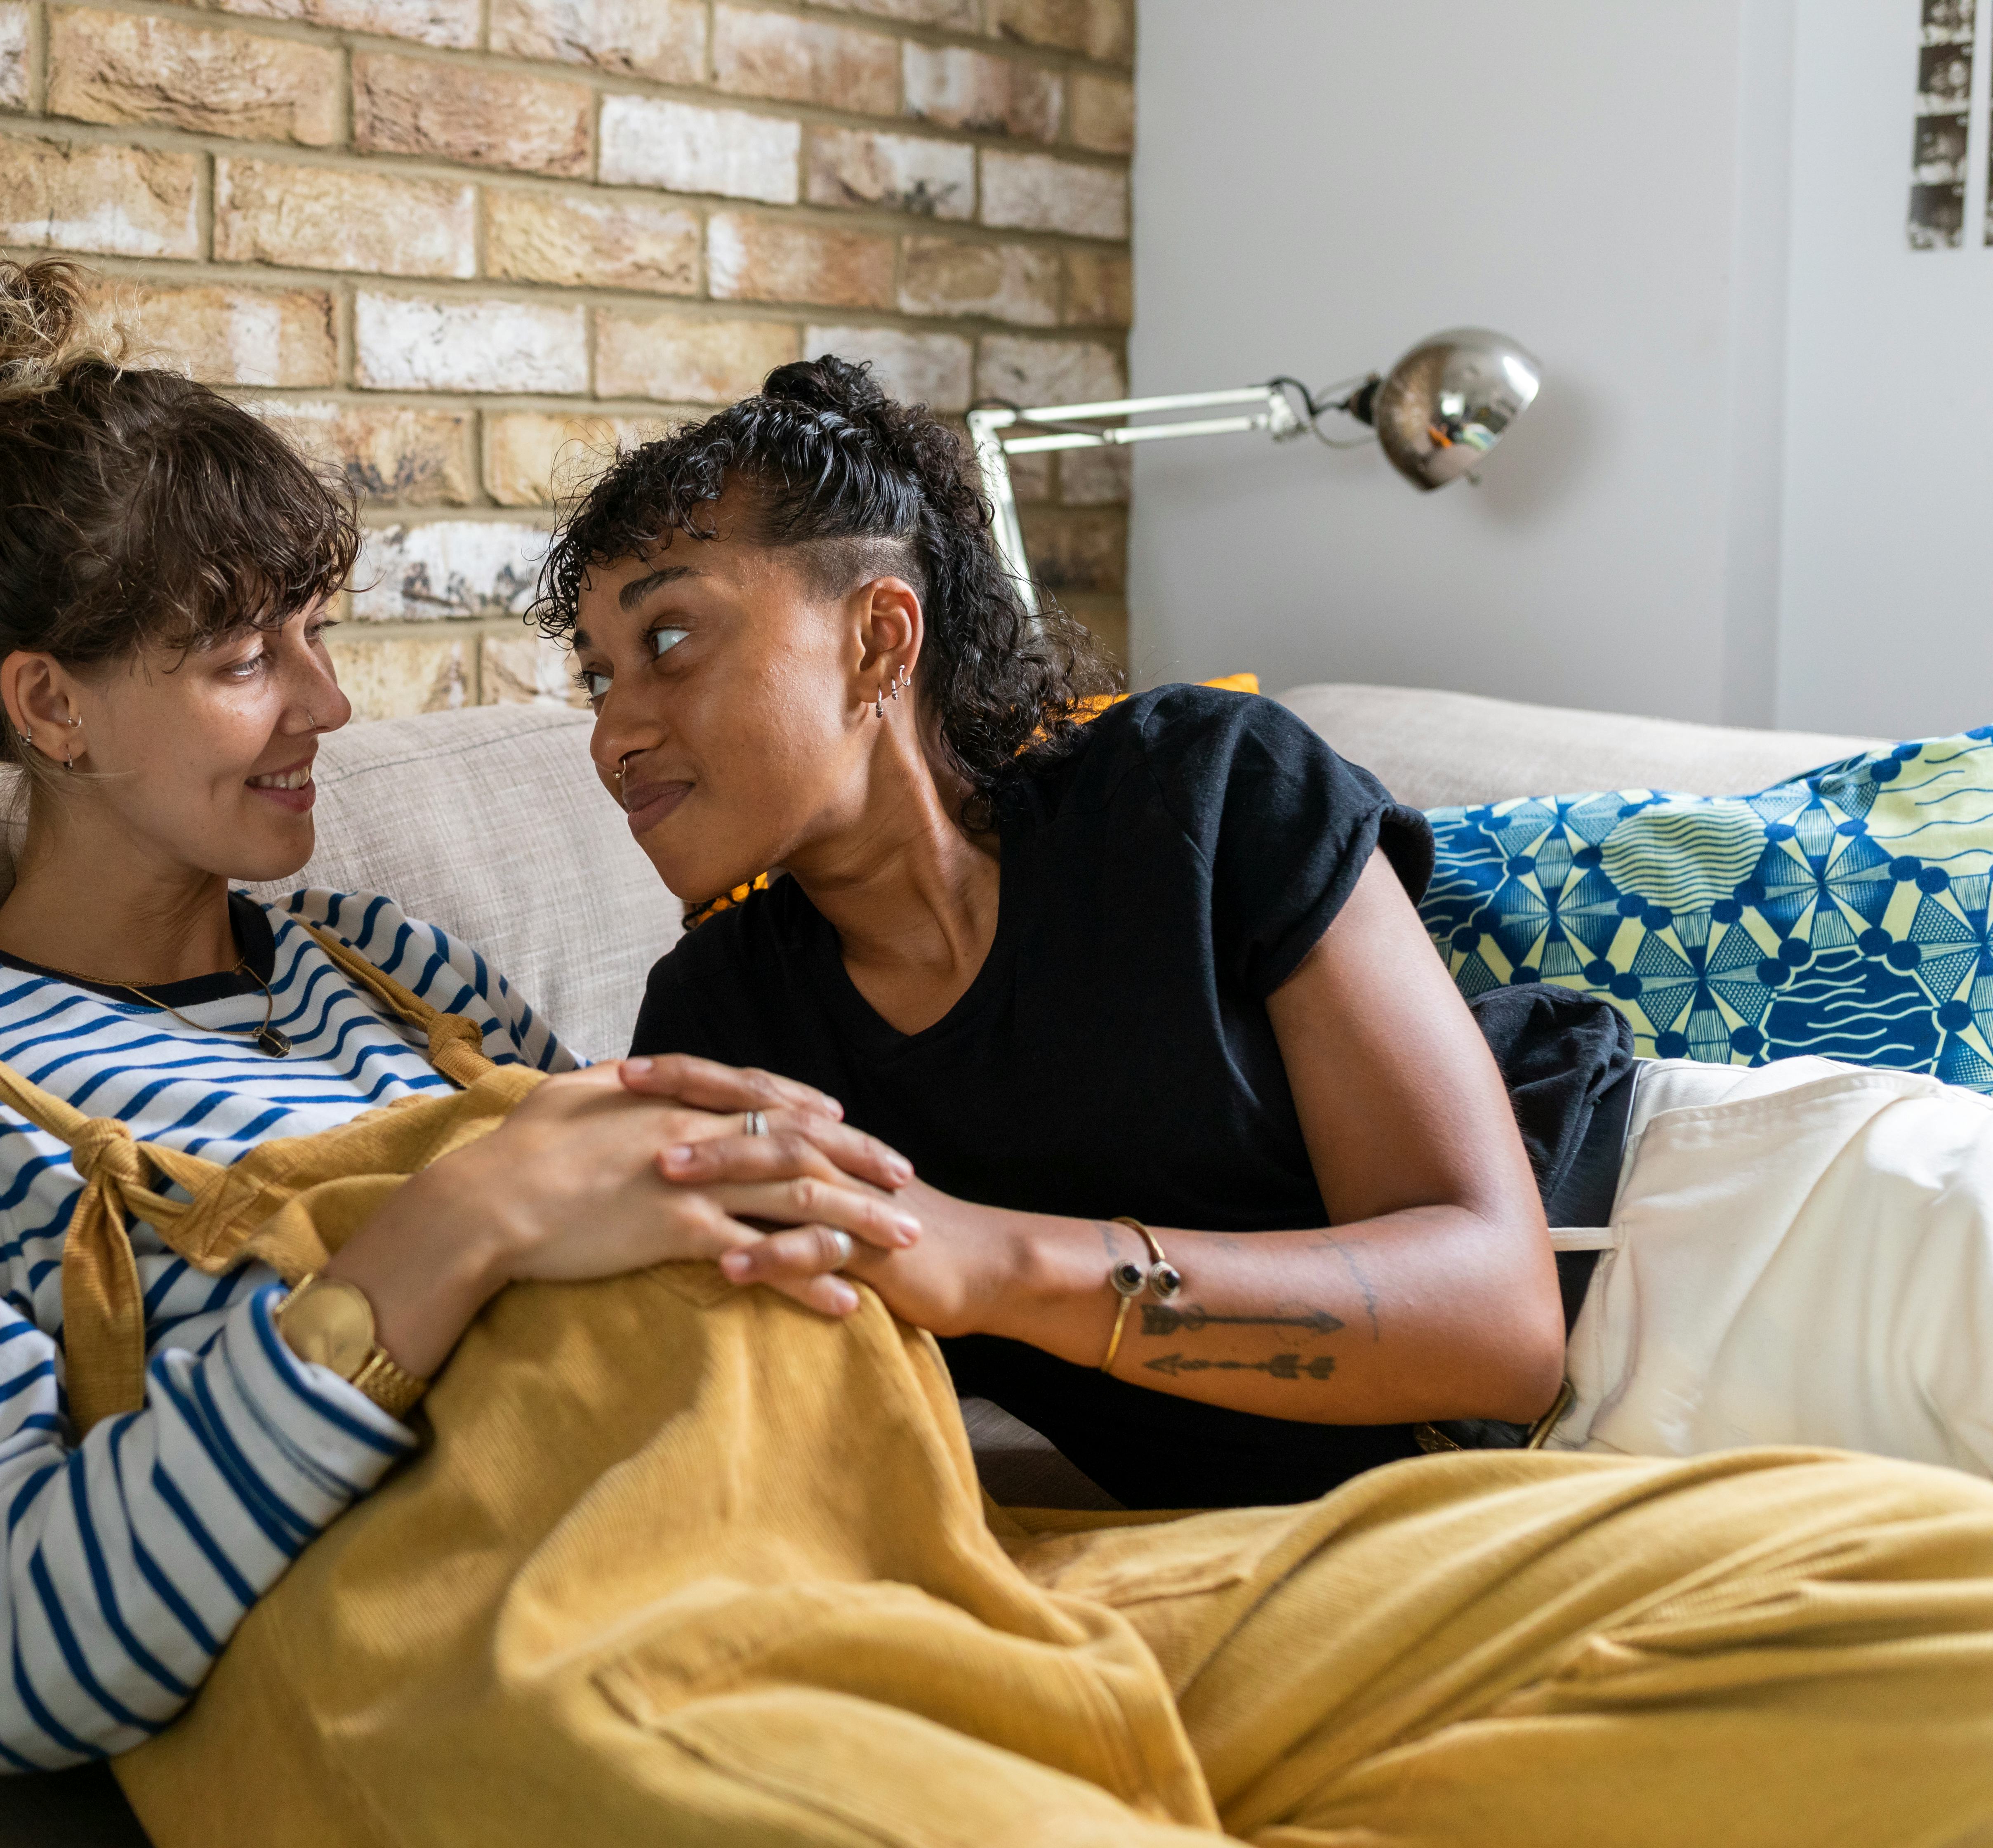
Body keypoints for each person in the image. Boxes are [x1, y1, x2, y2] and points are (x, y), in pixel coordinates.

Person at [0, 264, 921, 1771]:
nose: (327, 705)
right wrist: (451, 1227)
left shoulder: (388, 966)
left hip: (789, 1540)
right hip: (519, 1676)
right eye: (246, 660)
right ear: (53, 707)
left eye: (316, 635)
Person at [556, 355, 1993, 1504]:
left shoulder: (1184, 791)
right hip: (1467, 1533)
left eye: (669, 640)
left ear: (880, 637)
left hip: (1738, 1249)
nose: (617, 733)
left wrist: (996, 1264)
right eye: (600, 674)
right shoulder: (722, 1030)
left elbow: (1497, 1318)